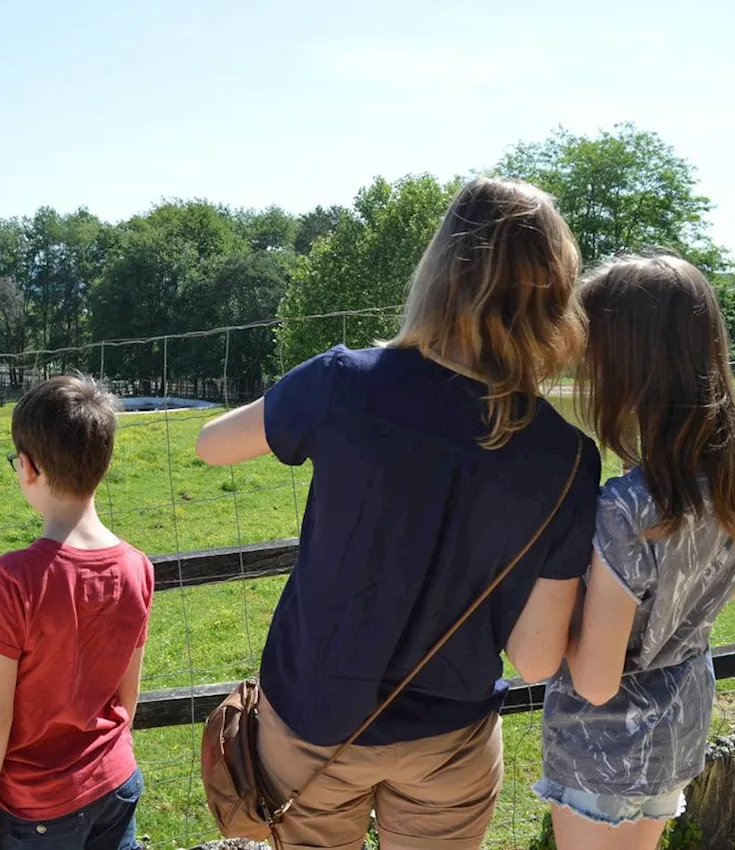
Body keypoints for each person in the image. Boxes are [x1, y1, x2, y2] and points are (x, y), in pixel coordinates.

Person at [195, 177, 601, 850]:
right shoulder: (567, 459)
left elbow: (213, 445)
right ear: (555, 295)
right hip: (451, 740)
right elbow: (534, 660)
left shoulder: (343, 383)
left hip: (312, 725)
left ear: (442, 270)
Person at [536, 254, 735, 850]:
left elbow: (596, 681)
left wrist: (559, 609)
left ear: (629, 364)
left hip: (601, 742)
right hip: (682, 716)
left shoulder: (628, 506)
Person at [0, 374, 154, 850]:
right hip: (116, 780)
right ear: (103, 465)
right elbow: (126, 702)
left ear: (28, 467)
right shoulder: (136, 567)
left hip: (39, 807)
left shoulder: (12, 579)